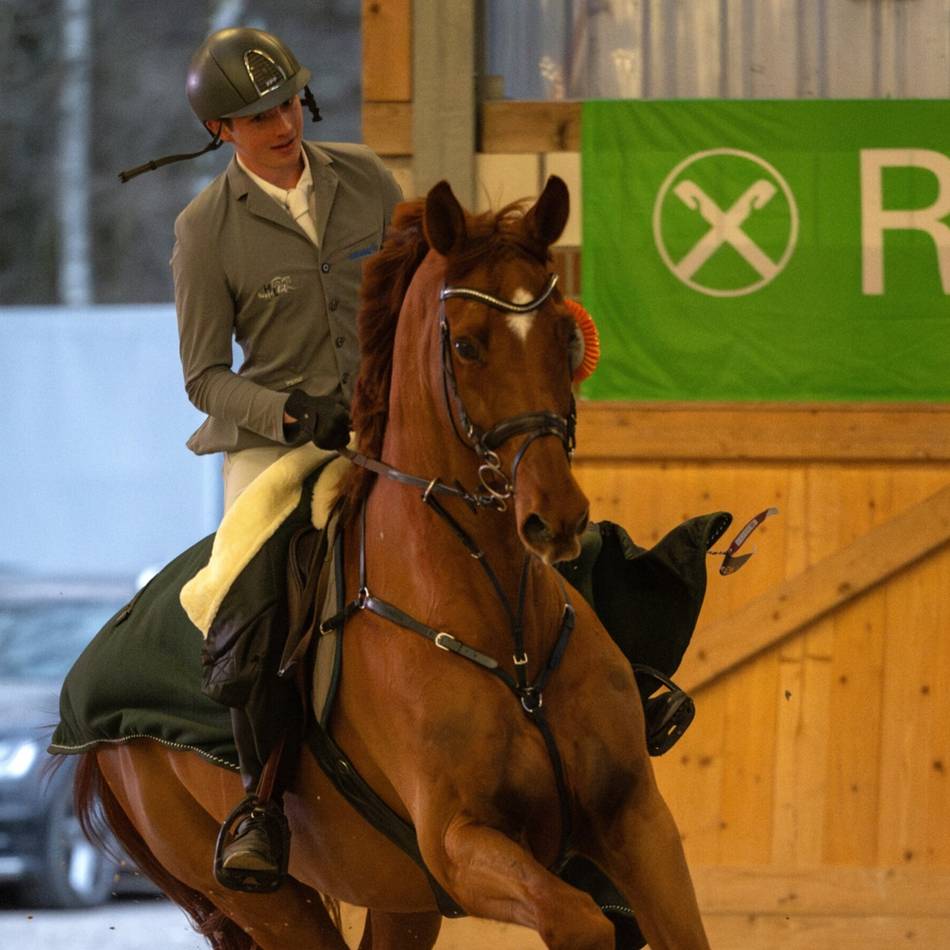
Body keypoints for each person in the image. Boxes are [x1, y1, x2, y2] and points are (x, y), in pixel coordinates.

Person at [167, 25, 403, 891]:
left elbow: (419, 291)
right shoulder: (204, 229)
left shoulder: (368, 180)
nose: (281, 124)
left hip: (387, 425)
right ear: (220, 131)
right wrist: (292, 410)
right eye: (258, 116)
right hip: (278, 446)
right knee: (253, 602)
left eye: (288, 103)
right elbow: (203, 379)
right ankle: (260, 803)